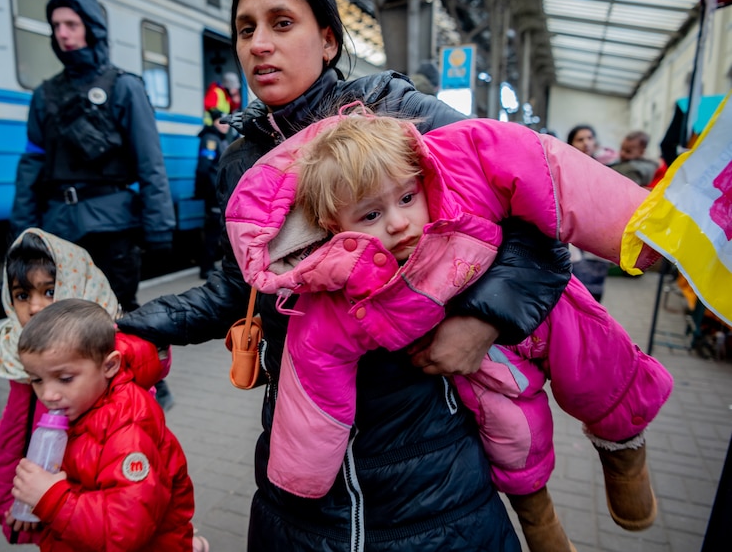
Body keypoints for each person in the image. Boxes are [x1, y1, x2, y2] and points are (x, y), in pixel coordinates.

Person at [118, 0, 575, 549]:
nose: (260, 43)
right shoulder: (241, 162)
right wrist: (129, 324)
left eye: (282, 23)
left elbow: (542, 220)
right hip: (305, 444)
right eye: (246, 29)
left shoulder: (400, 114)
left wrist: (484, 323)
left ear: (329, 40)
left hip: (427, 451)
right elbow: (238, 286)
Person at [226, 108, 672, 551]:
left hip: (538, 312)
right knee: (511, 430)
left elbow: (544, 169)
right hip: (479, 366)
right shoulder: (341, 293)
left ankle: (624, 445)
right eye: (369, 216)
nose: (398, 223)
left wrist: (638, 231)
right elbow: (314, 368)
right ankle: (539, 518)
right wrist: (304, 473)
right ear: (331, 227)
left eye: (405, 198)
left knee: (595, 352)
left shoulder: (459, 175)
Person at [0, 228, 174, 545]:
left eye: (49, 292)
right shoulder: (22, 355)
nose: (34, 308)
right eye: (22, 295)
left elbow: (126, 518)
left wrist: (48, 500)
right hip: (59, 518)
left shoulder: (115, 387)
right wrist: (16, 505)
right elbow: (13, 442)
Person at [9, 0, 175, 314]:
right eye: (56, 26)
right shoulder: (45, 95)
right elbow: (31, 165)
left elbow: (150, 162)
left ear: (92, 27)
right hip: (58, 228)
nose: (62, 33)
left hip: (112, 229)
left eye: (71, 24)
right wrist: (21, 230)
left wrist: (159, 225)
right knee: (66, 319)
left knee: (113, 318)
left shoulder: (124, 86)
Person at [12, 298, 200, 551]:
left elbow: (125, 530)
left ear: (109, 365)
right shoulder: (79, 407)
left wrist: (52, 500)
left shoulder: (129, 430)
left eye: (65, 379)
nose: (48, 394)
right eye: (37, 380)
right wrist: (37, 503)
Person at [567, 124, 615, 301]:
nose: (586, 143)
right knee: (571, 295)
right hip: (570, 238)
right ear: (570, 144)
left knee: (592, 298)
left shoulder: (605, 172)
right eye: (580, 139)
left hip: (596, 239)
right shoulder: (563, 169)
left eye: (589, 138)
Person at [194, 110, 232, 278]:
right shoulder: (210, 139)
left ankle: (209, 266)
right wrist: (210, 192)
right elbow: (204, 168)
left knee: (216, 230)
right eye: (220, 122)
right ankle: (206, 268)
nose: (225, 126)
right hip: (214, 194)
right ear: (213, 123)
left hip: (219, 193)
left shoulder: (219, 139)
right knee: (212, 231)